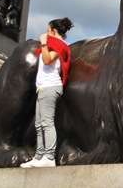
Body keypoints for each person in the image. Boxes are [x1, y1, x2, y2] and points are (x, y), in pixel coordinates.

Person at [20, 18, 73, 168]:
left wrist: (43, 43)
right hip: (43, 87)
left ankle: (49, 157)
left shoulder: (61, 45)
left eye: (47, 30)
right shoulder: (53, 44)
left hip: (50, 86)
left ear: (53, 31)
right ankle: (39, 156)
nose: (45, 33)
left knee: (47, 122)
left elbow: (48, 60)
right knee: (39, 124)